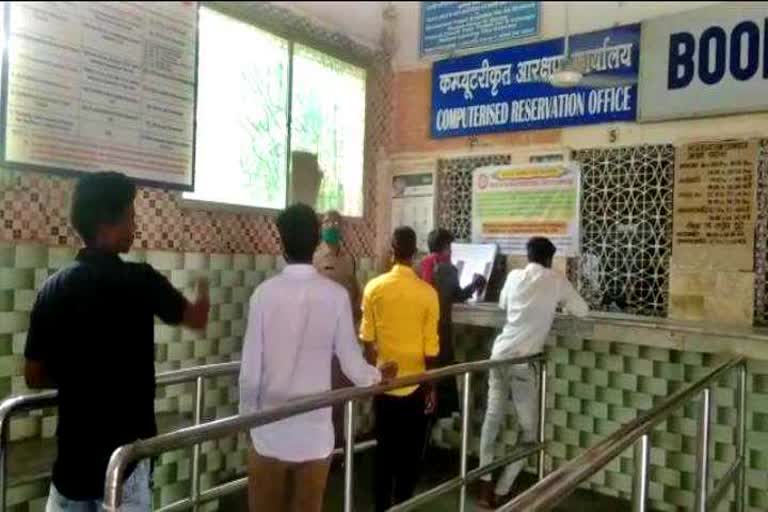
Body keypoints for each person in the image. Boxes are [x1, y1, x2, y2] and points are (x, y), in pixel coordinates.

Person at [24, 172, 210, 512]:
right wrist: (204, 290)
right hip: (127, 466)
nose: (135, 226)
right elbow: (196, 318)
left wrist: (78, 377)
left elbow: (33, 375)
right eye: (131, 216)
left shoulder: (52, 289)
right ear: (112, 221)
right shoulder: (141, 281)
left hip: (71, 468)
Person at [239, 203, 397, 512]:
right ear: (316, 241)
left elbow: (250, 370)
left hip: (270, 426)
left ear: (281, 242)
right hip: (315, 431)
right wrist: (379, 375)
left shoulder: (264, 294)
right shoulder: (335, 296)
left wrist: (248, 415)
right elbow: (352, 365)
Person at [478, 237, 588, 508]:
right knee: (530, 435)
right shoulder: (556, 280)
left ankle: (484, 488)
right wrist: (556, 305)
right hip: (522, 364)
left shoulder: (515, 276)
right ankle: (503, 491)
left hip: (498, 356)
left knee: (491, 421)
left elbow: (504, 305)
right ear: (550, 259)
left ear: (528, 256)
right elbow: (583, 311)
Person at [360, 226, 440, 512]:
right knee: (410, 454)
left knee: (384, 450)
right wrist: (430, 386)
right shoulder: (428, 294)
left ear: (391, 252)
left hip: (384, 384)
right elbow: (431, 349)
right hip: (416, 383)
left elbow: (367, 340)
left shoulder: (374, 288)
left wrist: (375, 373)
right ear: (415, 253)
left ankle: (381, 506)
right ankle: (403, 504)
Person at [423, 228, 486, 419]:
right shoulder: (446, 268)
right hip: (439, 333)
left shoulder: (421, 265)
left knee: (424, 382)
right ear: (446, 247)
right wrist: (476, 284)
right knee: (439, 381)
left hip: (420, 332)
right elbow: (456, 295)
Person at [312, 209, 361, 446]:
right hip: (320, 340)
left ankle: (338, 450)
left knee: (341, 396)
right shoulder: (314, 257)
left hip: (343, 339)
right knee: (321, 397)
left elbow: (355, 292)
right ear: (321, 227)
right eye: (327, 221)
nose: (332, 225)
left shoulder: (349, 259)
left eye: (337, 222)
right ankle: (319, 449)